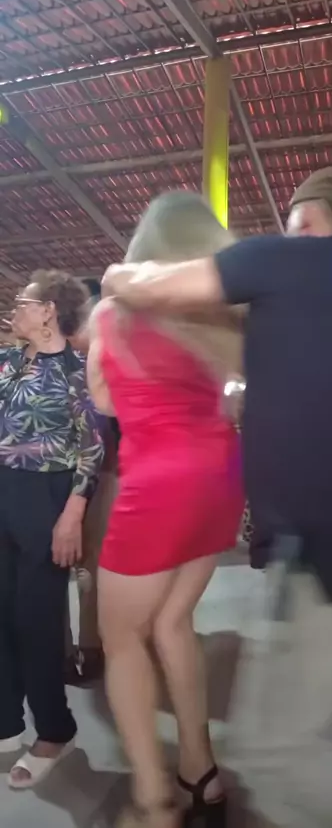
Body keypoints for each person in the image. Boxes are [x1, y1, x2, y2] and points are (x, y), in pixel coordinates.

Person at [103, 168, 332, 827]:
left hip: (320, 544)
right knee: (296, 713)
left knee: (278, 745)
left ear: (311, 217)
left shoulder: (296, 261)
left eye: (291, 219)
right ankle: (200, 771)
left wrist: (114, 276)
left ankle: (155, 801)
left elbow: (147, 292)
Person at [88, 193, 244, 828]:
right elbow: (234, 396)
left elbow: (105, 400)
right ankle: (201, 772)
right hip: (220, 477)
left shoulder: (112, 312)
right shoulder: (218, 316)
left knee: (121, 638)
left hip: (157, 484)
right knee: (174, 622)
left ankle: (153, 802)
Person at [0, 270, 104, 788]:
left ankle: (55, 730)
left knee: (36, 619)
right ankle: (5, 721)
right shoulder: (5, 361)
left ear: (48, 312)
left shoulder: (78, 371)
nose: (13, 308)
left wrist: (72, 513)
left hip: (47, 495)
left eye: (23, 302)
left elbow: (92, 448)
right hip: (2, 487)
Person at [66, 277, 118, 683]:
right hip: (80, 470)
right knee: (82, 565)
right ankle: (78, 648)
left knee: (93, 564)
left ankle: (90, 646)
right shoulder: (63, 360)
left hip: (107, 469)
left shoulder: (107, 355)